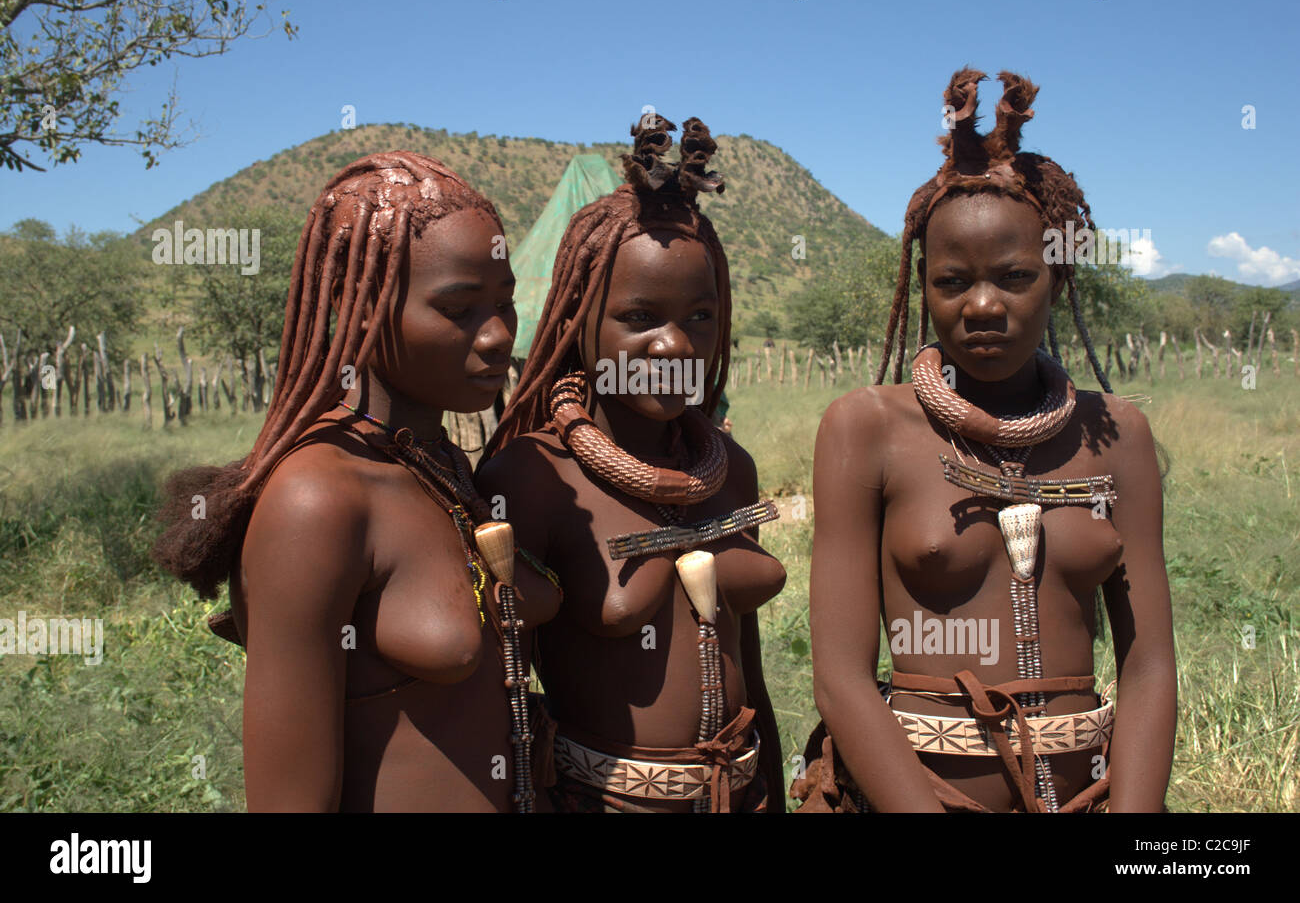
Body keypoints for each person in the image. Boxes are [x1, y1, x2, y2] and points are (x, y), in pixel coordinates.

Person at [798, 70, 1175, 812]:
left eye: (1014, 277)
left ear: (1058, 277)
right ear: (923, 286)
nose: (980, 306)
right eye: (950, 282)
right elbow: (840, 676)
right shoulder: (866, 427)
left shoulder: (1119, 435)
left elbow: (1150, 663)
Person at [151, 151, 560, 812]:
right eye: (458, 308)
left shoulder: (444, 468)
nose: (497, 335)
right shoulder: (317, 500)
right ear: (359, 303)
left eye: (505, 303)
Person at [478, 116, 786, 812]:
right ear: (579, 319)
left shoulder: (729, 470)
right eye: (640, 317)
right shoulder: (533, 478)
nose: (674, 346)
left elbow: (753, 672)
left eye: (700, 318)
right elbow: (503, 698)